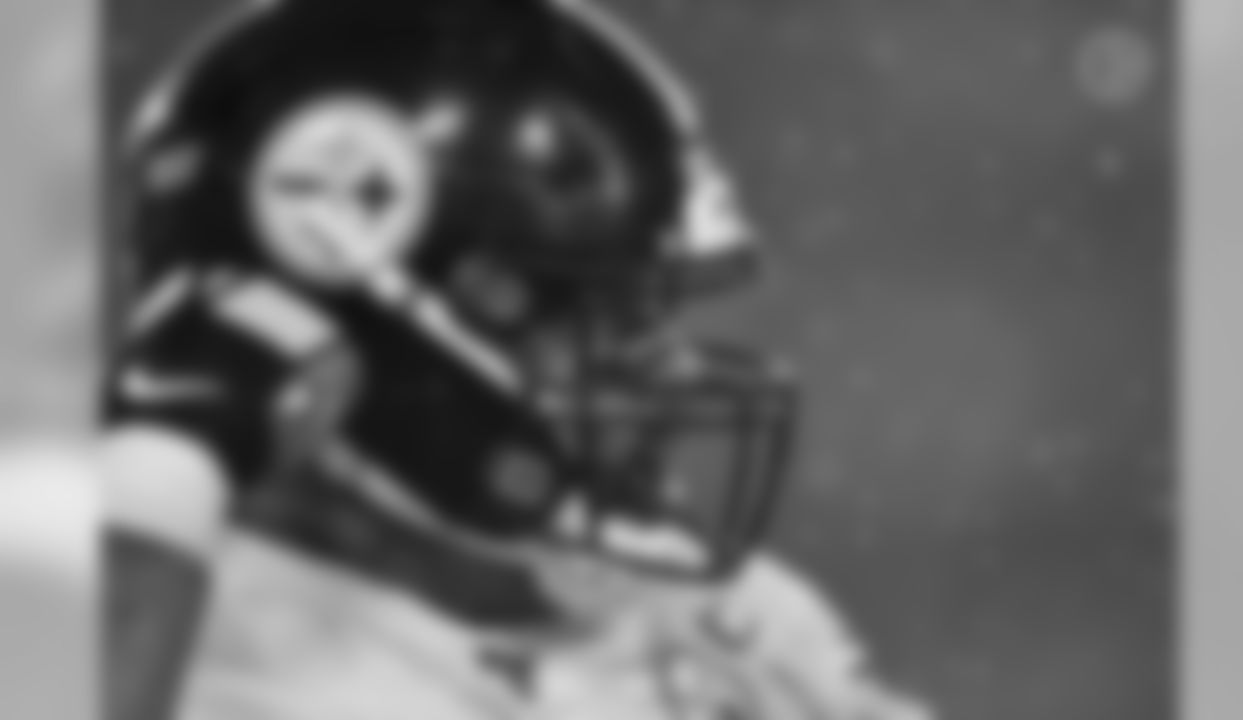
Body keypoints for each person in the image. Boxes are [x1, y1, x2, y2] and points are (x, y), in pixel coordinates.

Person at [102, 1, 934, 719]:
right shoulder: (197, 657)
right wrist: (167, 471)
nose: (658, 371)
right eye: (600, 322)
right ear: (382, 336)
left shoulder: (718, 615)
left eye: (648, 319)